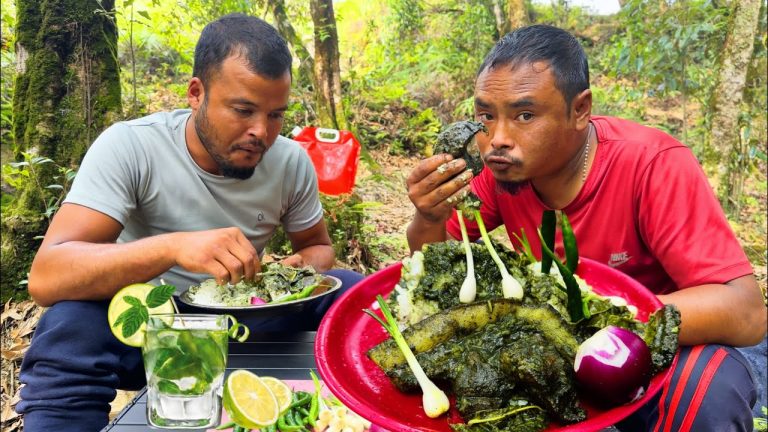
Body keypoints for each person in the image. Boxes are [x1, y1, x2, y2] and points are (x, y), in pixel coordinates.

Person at [406, 25, 766, 431]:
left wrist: (605, 317)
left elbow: (745, 312)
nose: (497, 140)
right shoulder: (500, 172)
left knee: (708, 391)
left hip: (662, 346)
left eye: (525, 115)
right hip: (554, 343)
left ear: (580, 110)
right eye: (486, 116)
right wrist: (430, 217)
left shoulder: (653, 164)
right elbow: (433, 270)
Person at [17, 14, 363, 431]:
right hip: (150, 321)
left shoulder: (290, 162)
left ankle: (350, 414)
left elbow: (318, 248)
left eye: (275, 115)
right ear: (197, 93)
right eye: (243, 110)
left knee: (352, 290)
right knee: (69, 326)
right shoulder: (132, 146)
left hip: (243, 317)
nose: (261, 132)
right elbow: (47, 275)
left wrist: (288, 274)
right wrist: (173, 248)